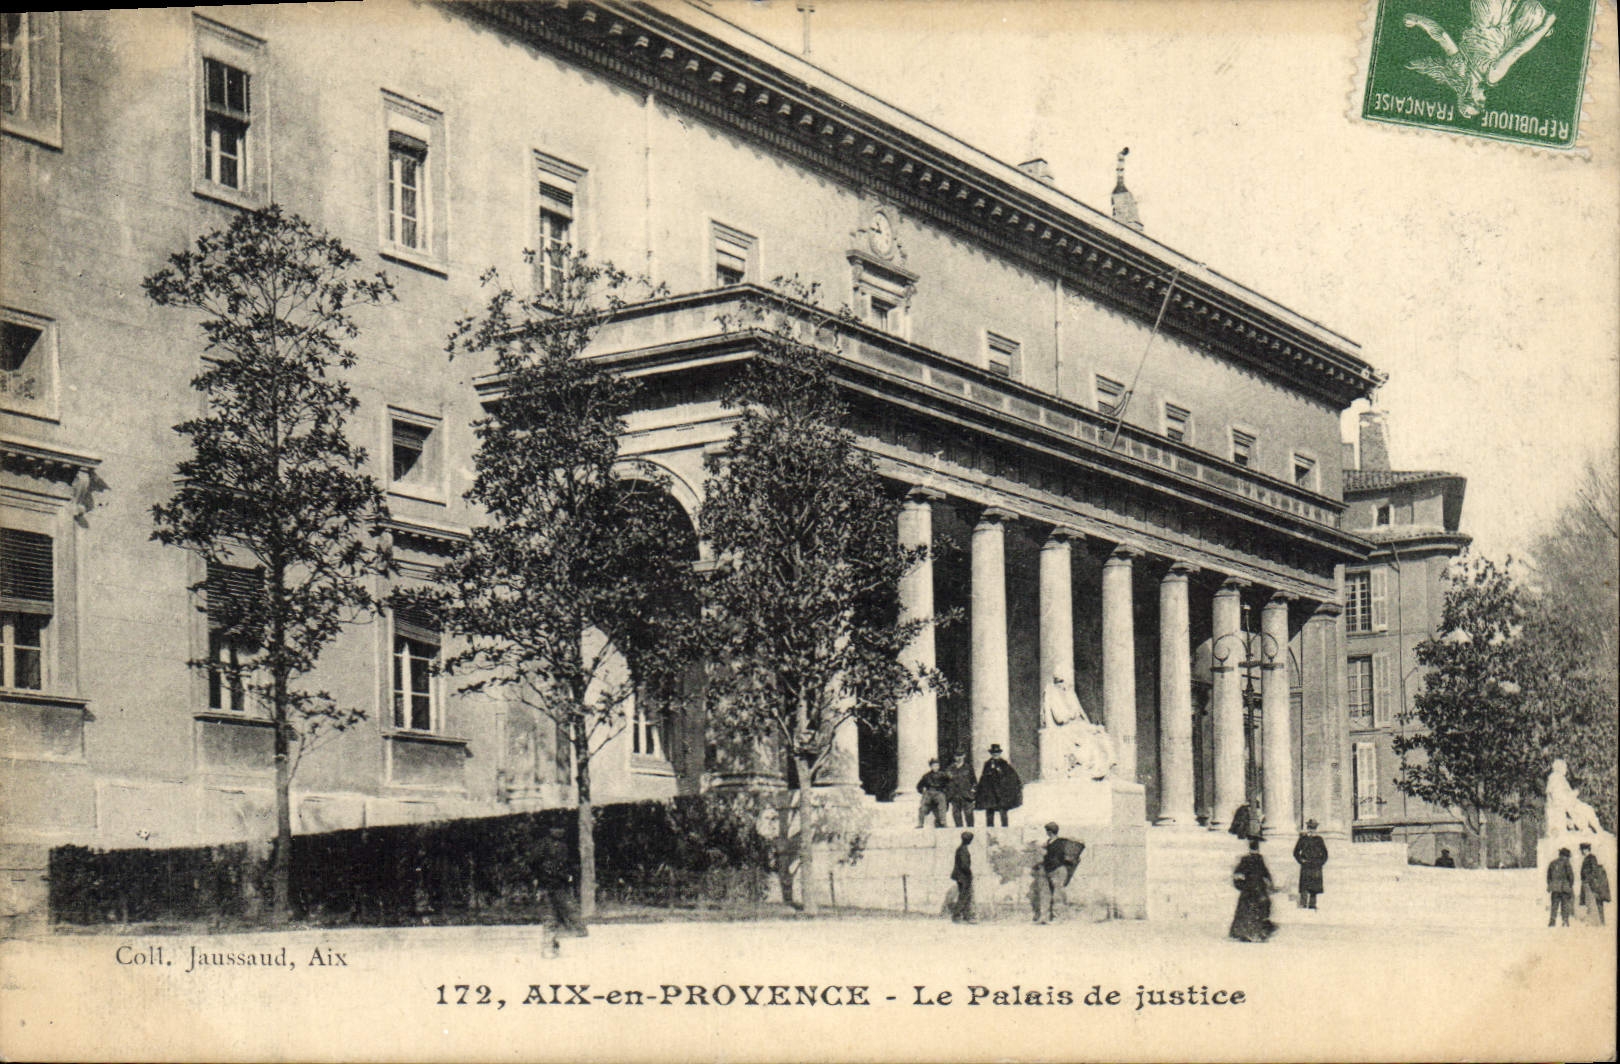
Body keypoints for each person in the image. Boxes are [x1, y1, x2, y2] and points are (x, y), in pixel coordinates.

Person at [1033, 822, 1085, 924]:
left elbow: (1078, 843)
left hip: (1058, 870)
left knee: (1057, 895)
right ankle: (1044, 918)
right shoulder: (1049, 842)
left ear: (1049, 832)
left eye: (1047, 831)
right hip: (1048, 869)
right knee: (1045, 894)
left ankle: (1058, 918)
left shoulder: (1062, 841)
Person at [1229, 837, 1277, 942]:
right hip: (1257, 889)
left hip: (1249, 889)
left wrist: (1240, 884)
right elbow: (1266, 874)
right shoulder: (1258, 860)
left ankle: (1244, 932)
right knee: (1260, 909)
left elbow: (1237, 874)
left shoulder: (1248, 859)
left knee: (1246, 911)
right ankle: (1257, 932)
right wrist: (1269, 884)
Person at [975, 744, 1024, 827]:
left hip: (1001, 794)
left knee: (1003, 813)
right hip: (990, 794)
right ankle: (990, 831)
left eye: (997, 753)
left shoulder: (1004, 764)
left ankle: (1005, 830)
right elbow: (983, 778)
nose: (995, 754)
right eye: (993, 753)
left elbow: (1012, 777)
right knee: (989, 813)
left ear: (999, 753)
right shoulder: (987, 764)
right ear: (991, 753)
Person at [1293, 819, 1328, 909]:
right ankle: (1303, 903)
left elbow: (1325, 854)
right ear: (1307, 828)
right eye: (1310, 827)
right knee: (1304, 885)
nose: (1311, 830)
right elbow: (1296, 852)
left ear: (1316, 829)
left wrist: (1320, 863)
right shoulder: (1303, 839)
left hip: (1316, 866)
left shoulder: (1319, 839)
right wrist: (1301, 861)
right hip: (1306, 865)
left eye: (1313, 828)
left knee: (1315, 886)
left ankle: (1312, 904)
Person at [1578, 843, 1609, 926]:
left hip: (1592, 884)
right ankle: (1595, 922)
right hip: (1588, 883)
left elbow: (1594, 871)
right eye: (1582, 850)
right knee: (1590, 903)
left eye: (1583, 850)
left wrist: (1588, 880)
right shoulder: (1587, 858)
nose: (1582, 852)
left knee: (1596, 902)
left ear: (1587, 849)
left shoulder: (1591, 858)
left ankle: (1600, 922)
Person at [915, 758, 950, 829]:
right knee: (923, 807)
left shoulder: (943, 775)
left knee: (942, 805)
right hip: (929, 792)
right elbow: (919, 786)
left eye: (937, 766)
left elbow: (949, 783)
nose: (935, 767)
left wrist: (945, 791)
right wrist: (922, 791)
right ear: (931, 766)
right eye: (934, 766)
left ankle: (943, 822)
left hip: (939, 792)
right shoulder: (926, 776)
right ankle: (920, 823)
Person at [945, 751, 977, 827]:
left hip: (966, 795)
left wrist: (973, 793)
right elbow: (946, 782)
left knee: (969, 815)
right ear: (954, 757)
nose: (959, 758)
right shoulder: (950, 769)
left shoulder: (968, 767)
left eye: (961, 756)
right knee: (956, 815)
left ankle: (970, 832)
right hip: (955, 795)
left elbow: (974, 781)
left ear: (964, 756)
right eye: (957, 756)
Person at [950, 831, 975, 923]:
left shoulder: (960, 849)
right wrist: (970, 873)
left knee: (966, 896)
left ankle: (966, 916)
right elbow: (965, 866)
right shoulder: (963, 850)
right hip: (963, 877)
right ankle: (956, 916)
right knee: (964, 896)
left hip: (960, 876)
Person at [1547, 846, 1575, 927]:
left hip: (1555, 888)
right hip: (1564, 887)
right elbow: (1571, 876)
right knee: (1565, 905)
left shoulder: (1552, 863)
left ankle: (1552, 921)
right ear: (1566, 856)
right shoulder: (1567, 863)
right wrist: (1570, 885)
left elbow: (1548, 876)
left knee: (1554, 905)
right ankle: (1565, 921)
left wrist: (1551, 885)